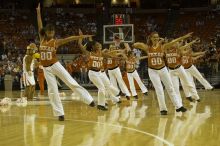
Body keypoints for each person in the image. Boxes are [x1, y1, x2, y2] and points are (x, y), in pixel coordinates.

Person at [36, 4, 95, 121]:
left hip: (55, 65)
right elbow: (39, 24)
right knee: (52, 91)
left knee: (70, 81)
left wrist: (80, 37)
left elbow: (69, 39)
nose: (51, 33)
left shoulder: (55, 42)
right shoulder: (41, 39)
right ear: (46, 32)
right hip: (46, 69)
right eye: (49, 31)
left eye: (52, 31)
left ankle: (89, 100)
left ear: (53, 33)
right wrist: (38, 12)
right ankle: (60, 114)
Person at [133, 32, 190, 115]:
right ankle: (163, 109)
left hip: (163, 69)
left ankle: (178, 106)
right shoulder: (147, 47)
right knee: (159, 89)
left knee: (170, 88)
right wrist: (140, 44)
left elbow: (174, 42)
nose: (156, 39)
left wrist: (184, 36)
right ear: (151, 38)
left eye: (157, 37)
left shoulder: (163, 46)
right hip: (152, 71)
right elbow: (135, 44)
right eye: (154, 37)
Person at [78, 30, 120, 110]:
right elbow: (80, 45)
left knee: (104, 87)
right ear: (93, 47)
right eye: (97, 45)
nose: (98, 46)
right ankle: (101, 104)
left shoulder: (101, 53)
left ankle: (104, 102)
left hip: (99, 73)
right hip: (92, 73)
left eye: (99, 45)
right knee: (102, 88)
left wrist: (116, 57)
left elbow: (109, 56)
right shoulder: (89, 53)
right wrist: (80, 37)